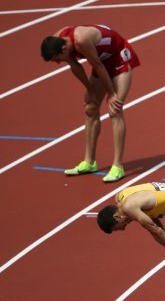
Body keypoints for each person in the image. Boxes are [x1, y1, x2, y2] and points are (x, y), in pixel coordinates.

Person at [40, 24, 140, 182]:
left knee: (114, 109)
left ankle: (118, 166)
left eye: (58, 60)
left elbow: (98, 66)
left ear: (65, 49)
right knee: (90, 107)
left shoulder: (81, 40)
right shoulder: (58, 38)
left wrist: (112, 94)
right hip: (101, 61)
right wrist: (90, 90)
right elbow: (75, 65)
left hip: (119, 59)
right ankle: (89, 162)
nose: (58, 63)